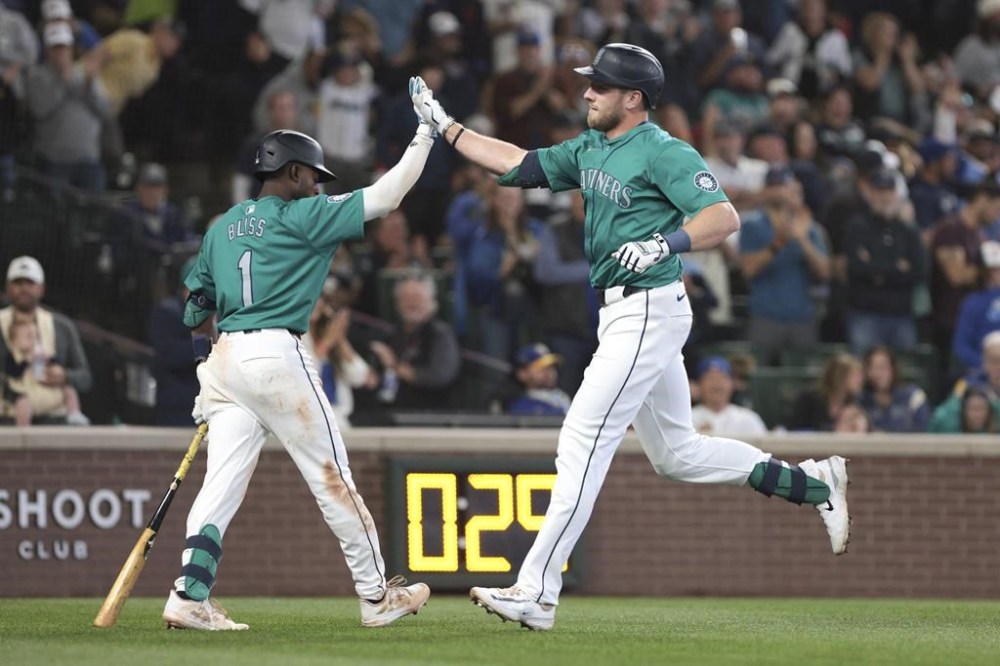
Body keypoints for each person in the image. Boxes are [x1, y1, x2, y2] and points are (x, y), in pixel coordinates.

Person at [408, 42, 851, 632]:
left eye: (600, 85)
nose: (587, 91)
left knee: (582, 438)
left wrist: (665, 243)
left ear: (633, 98)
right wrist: (448, 128)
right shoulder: (592, 145)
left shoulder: (663, 149)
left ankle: (537, 591)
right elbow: (519, 164)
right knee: (678, 455)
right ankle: (812, 483)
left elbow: (723, 217)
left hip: (649, 307)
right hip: (621, 311)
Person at [161, 121, 436, 630]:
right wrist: (426, 136)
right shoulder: (302, 214)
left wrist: (204, 365)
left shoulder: (221, 225)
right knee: (332, 478)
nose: (318, 185)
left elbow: (197, 304)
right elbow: (388, 196)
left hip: (224, 361)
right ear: (291, 172)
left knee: (220, 485)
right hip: (275, 355)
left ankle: (188, 593)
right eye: (313, 176)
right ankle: (376, 596)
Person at [0, 256, 93, 426]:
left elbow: (85, 377)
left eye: (30, 283)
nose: (24, 289)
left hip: (56, 420)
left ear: (41, 288)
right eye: (18, 283)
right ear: (7, 287)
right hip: (8, 417)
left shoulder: (62, 327)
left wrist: (64, 376)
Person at [4, 318, 89, 426]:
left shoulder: (41, 352)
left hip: (46, 387)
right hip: (27, 392)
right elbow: (12, 373)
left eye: (36, 337)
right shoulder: (12, 357)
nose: (34, 341)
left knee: (69, 389)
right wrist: (27, 361)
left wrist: (49, 361)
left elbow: (55, 366)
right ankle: (23, 428)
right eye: (29, 337)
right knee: (22, 404)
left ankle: (74, 413)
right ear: (15, 341)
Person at [857, 345, 929, 433]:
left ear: (893, 369)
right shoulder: (859, 401)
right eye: (873, 368)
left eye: (883, 367)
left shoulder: (914, 397)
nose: (878, 374)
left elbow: (924, 431)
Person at [786, 353, 864, 432]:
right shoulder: (809, 399)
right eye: (855, 375)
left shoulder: (854, 402)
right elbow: (793, 429)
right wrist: (834, 430)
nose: (860, 380)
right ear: (840, 377)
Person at [690, 356, 767, 436]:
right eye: (711, 379)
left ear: (732, 384)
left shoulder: (748, 418)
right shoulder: (689, 419)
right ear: (699, 385)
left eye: (722, 378)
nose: (717, 385)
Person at [506, 343, 571, 416]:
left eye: (552, 367)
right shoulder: (522, 407)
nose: (549, 372)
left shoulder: (561, 397)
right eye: (542, 368)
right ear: (523, 374)